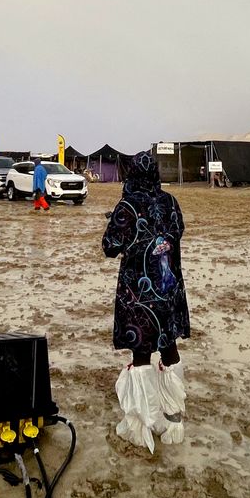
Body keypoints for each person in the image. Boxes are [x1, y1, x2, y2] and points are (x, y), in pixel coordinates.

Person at [102, 150, 190, 453]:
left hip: (138, 296)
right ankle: (173, 420)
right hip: (168, 289)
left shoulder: (126, 205)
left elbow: (110, 246)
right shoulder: (170, 202)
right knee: (169, 347)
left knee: (141, 354)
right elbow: (177, 232)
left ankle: (143, 425)